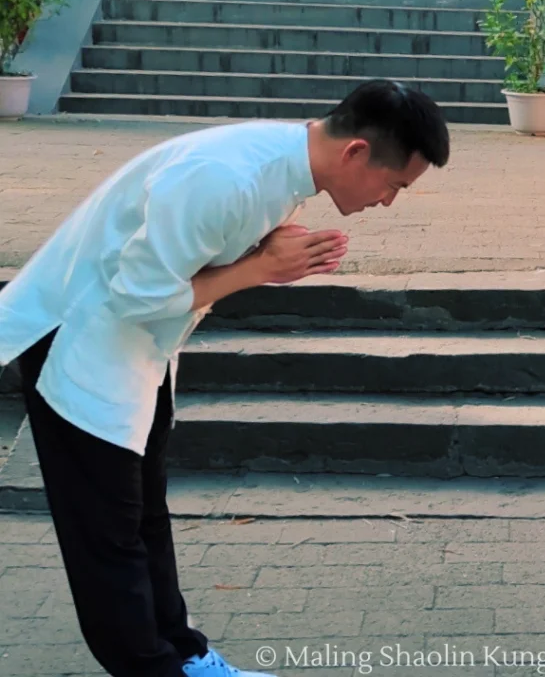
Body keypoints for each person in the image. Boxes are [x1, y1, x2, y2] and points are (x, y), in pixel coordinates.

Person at [0, 79, 450, 677]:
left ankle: (185, 655)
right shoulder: (227, 176)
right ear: (356, 153)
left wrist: (259, 260)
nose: (389, 201)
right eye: (394, 185)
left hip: (137, 348)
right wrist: (261, 267)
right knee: (107, 537)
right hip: (79, 338)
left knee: (142, 515)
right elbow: (137, 295)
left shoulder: (280, 170)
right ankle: (152, 666)